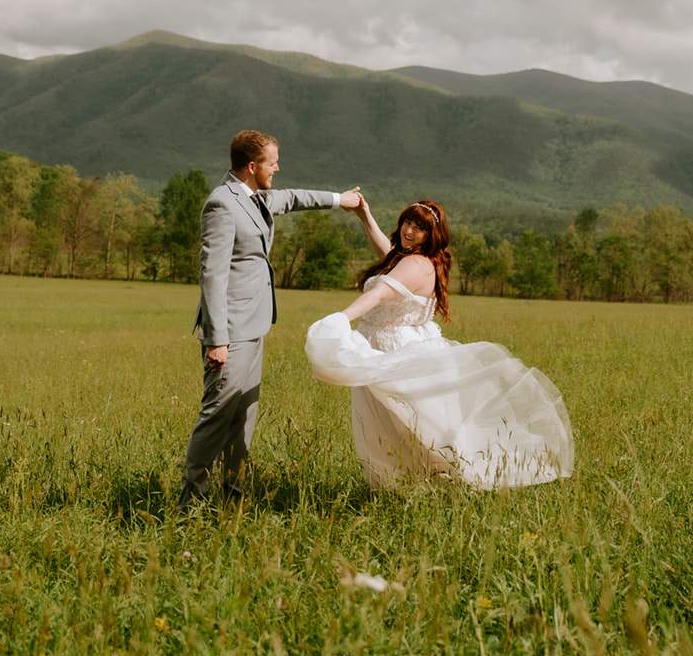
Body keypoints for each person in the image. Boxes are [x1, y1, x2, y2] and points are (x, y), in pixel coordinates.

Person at [305, 198, 573, 490]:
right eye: (407, 222)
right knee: (400, 423)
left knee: (417, 425)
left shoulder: (417, 265)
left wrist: (341, 318)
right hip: (389, 347)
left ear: (432, 235)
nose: (409, 230)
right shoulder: (406, 259)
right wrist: (365, 216)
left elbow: (379, 294)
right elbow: (387, 254)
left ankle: (450, 480)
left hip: (397, 351)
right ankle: (418, 484)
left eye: (419, 228)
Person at [179, 129, 361, 509]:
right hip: (229, 332)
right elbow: (212, 274)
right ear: (252, 166)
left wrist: (339, 200)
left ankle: (232, 501)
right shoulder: (222, 205)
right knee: (216, 417)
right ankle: (189, 505)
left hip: (255, 325)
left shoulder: (256, 196)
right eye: (272, 162)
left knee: (242, 417)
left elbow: (293, 197)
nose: (278, 168)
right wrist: (216, 339)